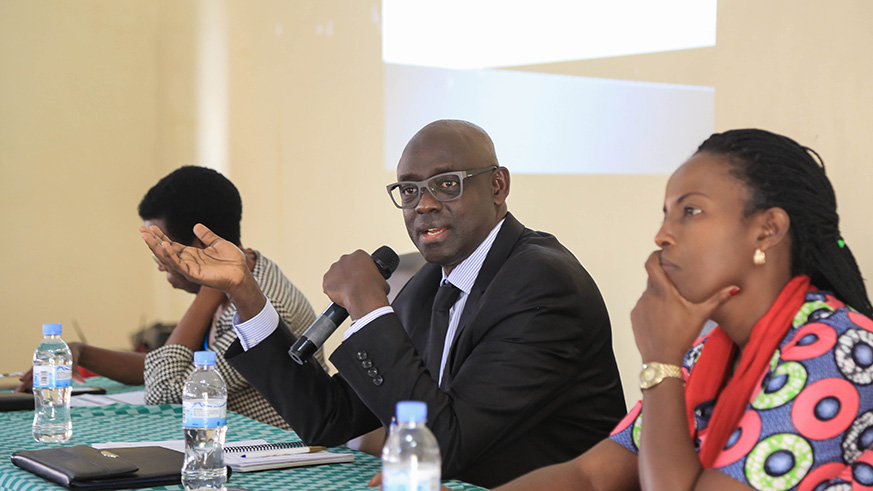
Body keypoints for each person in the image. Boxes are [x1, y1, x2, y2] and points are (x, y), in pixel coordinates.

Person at [142, 120, 626, 488]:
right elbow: (330, 418)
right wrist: (245, 293)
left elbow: (442, 447)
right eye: (410, 190)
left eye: (447, 184)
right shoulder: (433, 282)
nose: (424, 205)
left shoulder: (540, 282)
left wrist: (370, 307)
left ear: (497, 186)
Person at [495, 128, 873, 491]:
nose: (663, 235)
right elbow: (591, 477)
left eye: (691, 211)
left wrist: (660, 360)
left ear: (767, 230)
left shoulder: (839, 349)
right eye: (666, 213)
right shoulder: (708, 350)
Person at [19, 166, 323, 431]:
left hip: (274, 453)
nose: (159, 262)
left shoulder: (260, 306)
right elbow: (167, 368)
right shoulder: (248, 270)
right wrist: (82, 353)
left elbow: (167, 392)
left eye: (161, 247)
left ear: (200, 242)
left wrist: (210, 290)